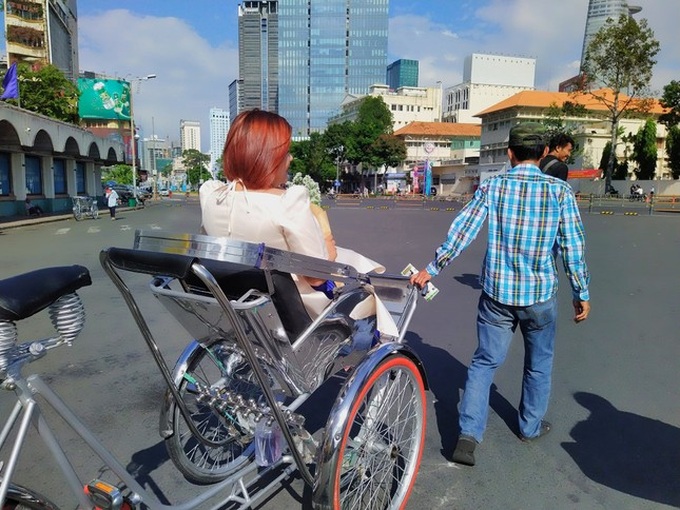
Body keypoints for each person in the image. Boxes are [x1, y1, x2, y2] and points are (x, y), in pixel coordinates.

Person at [410, 123, 591, 466]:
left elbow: (462, 230)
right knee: (538, 364)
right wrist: (581, 291)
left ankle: (468, 436)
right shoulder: (560, 192)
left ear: (509, 154)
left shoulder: (494, 187)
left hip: (497, 294)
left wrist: (432, 268)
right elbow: (573, 247)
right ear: (543, 155)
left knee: (483, 362)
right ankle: (529, 426)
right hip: (540, 296)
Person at [199, 109, 397, 336]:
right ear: (265, 157)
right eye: (285, 153)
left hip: (237, 305)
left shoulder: (212, 196)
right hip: (291, 307)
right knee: (362, 282)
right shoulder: (287, 204)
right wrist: (328, 246)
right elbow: (316, 275)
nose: (290, 159)